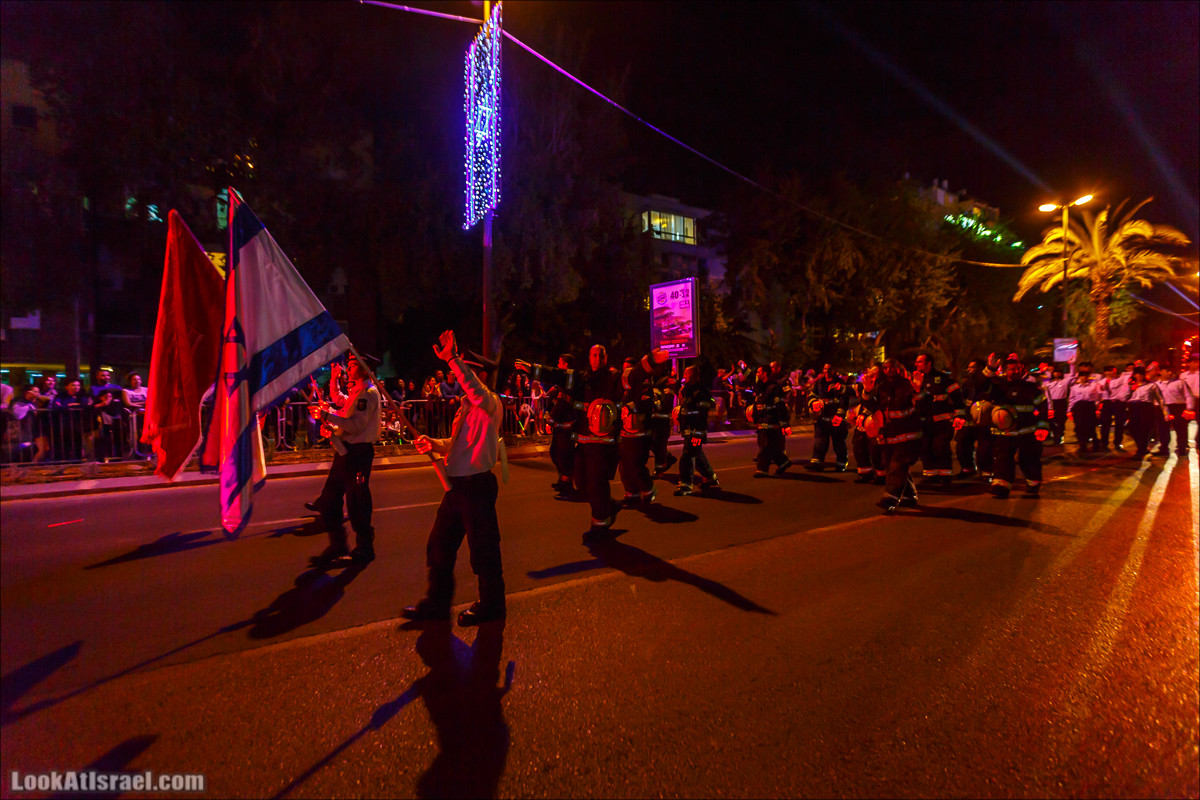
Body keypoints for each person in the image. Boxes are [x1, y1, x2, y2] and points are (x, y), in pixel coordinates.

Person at [402, 330, 507, 626]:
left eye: (467, 372)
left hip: (477, 488)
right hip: (456, 488)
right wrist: (432, 443)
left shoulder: (490, 403)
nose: (460, 377)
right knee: (439, 546)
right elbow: (455, 444)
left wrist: (452, 358)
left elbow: (473, 388)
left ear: (480, 376)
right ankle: (436, 603)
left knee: (484, 550)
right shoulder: (466, 407)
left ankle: (492, 604)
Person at [307, 353, 382, 568]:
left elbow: (356, 425)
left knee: (357, 501)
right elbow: (344, 414)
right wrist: (329, 421)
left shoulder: (368, 393)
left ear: (363, 367)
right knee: (329, 500)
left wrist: (326, 416)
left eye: (352, 365)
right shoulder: (357, 391)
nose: (348, 369)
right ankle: (338, 544)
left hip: (358, 455)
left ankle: (365, 547)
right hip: (345, 453)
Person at [984, 355, 1050, 498]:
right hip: (1004, 433)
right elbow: (981, 385)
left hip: (1027, 432)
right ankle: (1001, 485)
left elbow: (1043, 407)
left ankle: (1033, 484)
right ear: (1006, 371)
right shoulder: (998, 386)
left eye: (1017, 369)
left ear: (1022, 370)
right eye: (1011, 369)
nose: (1015, 371)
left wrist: (1043, 427)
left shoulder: (1032, 388)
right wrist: (990, 369)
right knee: (1002, 458)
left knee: (1029, 458)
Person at [860, 359, 922, 512]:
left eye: (892, 367)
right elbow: (873, 406)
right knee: (891, 465)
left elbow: (922, 405)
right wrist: (867, 391)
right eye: (886, 368)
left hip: (907, 433)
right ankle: (909, 495)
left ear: (898, 368)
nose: (889, 370)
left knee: (898, 464)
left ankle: (890, 498)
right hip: (888, 433)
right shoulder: (881, 387)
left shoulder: (907, 385)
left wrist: (919, 391)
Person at [520, 354, 580, 494]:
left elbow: (564, 402)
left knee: (564, 454)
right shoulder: (563, 381)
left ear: (565, 365)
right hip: (560, 425)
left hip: (567, 425)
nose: (558, 365)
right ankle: (564, 479)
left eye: (560, 363)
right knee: (555, 452)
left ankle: (567, 482)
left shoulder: (570, 380)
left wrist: (550, 418)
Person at [912, 352, 966, 488]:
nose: (916, 364)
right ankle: (931, 475)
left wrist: (960, 415)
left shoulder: (943, 378)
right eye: (916, 362)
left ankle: (945, 476)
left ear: (928, 363)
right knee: (925, 448)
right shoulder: (916, 380)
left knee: (940, 447)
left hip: (942, 422)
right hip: (924, 422)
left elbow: (958, 398)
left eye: (920, 362)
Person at [674, 363, 720, 495]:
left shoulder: (701, 392)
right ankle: (710, 477)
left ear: (693, 376)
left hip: (696, 432)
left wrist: (697, 434)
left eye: (686, 375)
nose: (684, 377)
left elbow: (701, 415)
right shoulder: (689, 391)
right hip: (689, 431)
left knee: (687, 456)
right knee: (697, 454)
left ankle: (685, 485)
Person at [805, 363, 850, 472]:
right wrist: (813, 403)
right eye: (825, 369)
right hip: (823, 418)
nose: (827, 371)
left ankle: (841, 463)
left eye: (829, 369)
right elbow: (812, 395)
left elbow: (844, 399)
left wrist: (840, 415)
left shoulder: (840, 383)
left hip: (835, 418)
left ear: (833, 371)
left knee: (838, 443)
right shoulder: (820, 382)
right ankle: (817, 462)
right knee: (820, 442)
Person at [752, 361, 793, 476]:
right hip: (762, 422)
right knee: (770, 447)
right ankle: (784, 462)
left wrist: (785, 424)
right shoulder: (760, 387)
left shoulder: (774, 387)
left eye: (759, 372)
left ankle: (762, 469)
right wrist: (755, 419)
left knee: (765, 447)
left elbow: (780, 406)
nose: (757, 374)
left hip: (771, 422)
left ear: (765, 373)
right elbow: (757, 404)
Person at [955, 358, 990, 478]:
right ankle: (967, 469)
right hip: (968, 419)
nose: (969, 370)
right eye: (969, 367)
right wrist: (961, 415)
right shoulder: (967, 383)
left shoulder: (988, 382)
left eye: (972, 367)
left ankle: (987, 472)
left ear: (981, 368)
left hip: (984, 420)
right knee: (961, 444)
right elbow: (962, 400)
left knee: (984, 448)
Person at [1126, 367, 1164, 458]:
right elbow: (1125, 397)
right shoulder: (1130, 385)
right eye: (1137, 374)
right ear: (1134, 375)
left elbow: (1160, 398)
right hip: (1134, 406)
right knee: (1132, 427)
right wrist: (1131, 389)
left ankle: (1140, 451)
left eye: (1141, 374)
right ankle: (1142, 447)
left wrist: (1165, 411)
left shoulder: (1151, 385)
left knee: (1144, 429)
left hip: (1146, 407)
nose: (1139, 376)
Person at [51, 377, 92, 461]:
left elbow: (85, 405)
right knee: (65, 446)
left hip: (78, 425)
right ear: (67, 387)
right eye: (73, 385)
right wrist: (69, 405)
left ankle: (77, 463)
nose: (76, 387)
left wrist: (70, 405)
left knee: (78, 446)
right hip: (64, 425)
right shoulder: (61, 396)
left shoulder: (82, 395)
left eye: (78, 385)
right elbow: (56, 406)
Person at [1067, 361, 1100, 453]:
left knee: (1090, 425)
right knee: (1079, 426)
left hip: (1089, 406)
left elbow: (1096, 397)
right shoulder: (1075, 387)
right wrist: (1069, 410)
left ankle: (1095, 442)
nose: (1083, 378)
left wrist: (1097, 409)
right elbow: (1072, 399)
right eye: (1081, 376)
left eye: (1085, 376)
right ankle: (1082, 444)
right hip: (1078, 407)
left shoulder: (1093, 386)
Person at [1156, 365, 1189, 457]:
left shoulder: (1180, 382)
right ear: (1161, 371)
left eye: (1170, 371)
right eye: (1167, 370)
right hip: (1162, 408)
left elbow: (1188, 395)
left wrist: (1189, 408)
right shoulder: (1156, 384)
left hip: (1177, 407)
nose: (1169, 373)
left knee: (1180, 428)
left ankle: (1182, 449)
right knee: (1163, 428)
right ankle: (1164, 448)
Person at [1097, 364, 1130, 452]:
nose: (1113, 372)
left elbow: (1129, 376)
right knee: (1105, 424)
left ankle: (1117, 442)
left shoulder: (1120, 379)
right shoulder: (1101, 382)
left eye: (1114, 370)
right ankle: (1104, 443)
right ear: (1105, 372)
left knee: (1119, 424)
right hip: (1107, 403)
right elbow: (1098, 394)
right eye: (1110, 370)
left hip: (1118, 403)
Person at [1041, 367, 1070, 445]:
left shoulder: (1064, 382)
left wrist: (1071, 365)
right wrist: (1046, 372)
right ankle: (1055, 433)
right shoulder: (1049, 383)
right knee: (1051, 420)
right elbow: (1045, 390)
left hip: (1061, 403)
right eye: (1055, 372)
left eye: (1058, 372)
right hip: (1052, 402)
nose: (1056, 373)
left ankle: (1059, 435)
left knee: (1061, 420)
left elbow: (1072, 376)